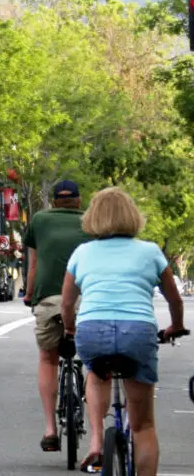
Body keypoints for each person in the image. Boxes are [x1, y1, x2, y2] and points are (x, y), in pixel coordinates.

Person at [61, 187, 186, 474]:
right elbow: (174, 299)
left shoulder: (82, 252)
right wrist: (176, 326)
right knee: (143, 426)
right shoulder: (151, 251)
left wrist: (70, 327)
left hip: (92, 329)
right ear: (133, 217)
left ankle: (95, 442)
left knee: (95, 372)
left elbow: (67, 302)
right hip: (137, 332)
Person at [22, 179, 88, 453]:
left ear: (53, 202)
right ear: (79, 201)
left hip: (49, 299)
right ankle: (97, 435)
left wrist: (28, 295)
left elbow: (34, 264)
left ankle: (50, 428)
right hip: (86, 300)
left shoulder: (39, 220)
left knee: (48, 358)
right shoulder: (93, 221)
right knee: (93, 359)